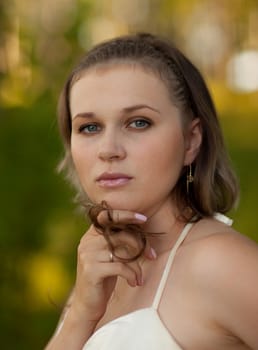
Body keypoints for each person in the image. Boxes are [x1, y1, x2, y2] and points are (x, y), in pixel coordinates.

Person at [45, 33, 258, 350]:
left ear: (191, 141)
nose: (109, 150)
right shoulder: (98, 267)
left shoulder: (220, 264)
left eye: (138, 122)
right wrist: (80, 316)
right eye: (90, 127)